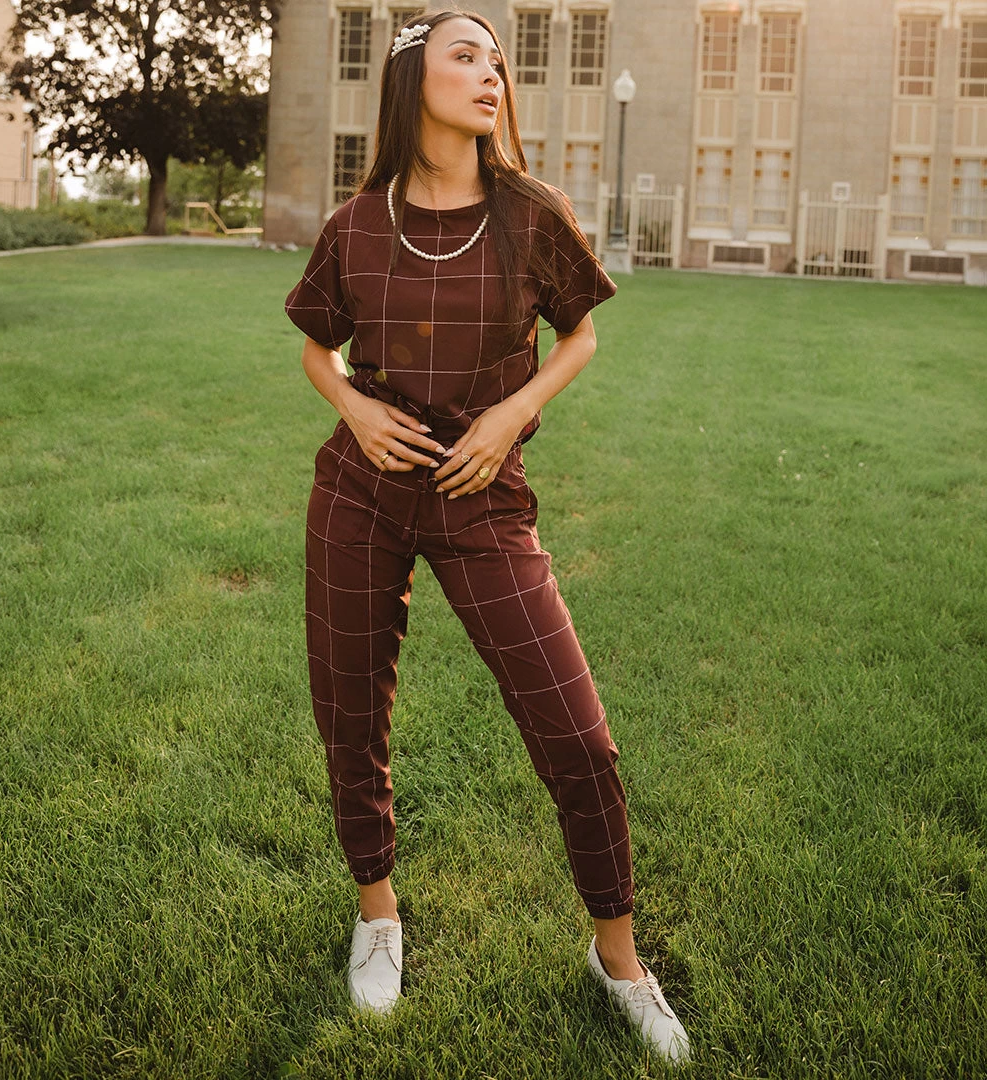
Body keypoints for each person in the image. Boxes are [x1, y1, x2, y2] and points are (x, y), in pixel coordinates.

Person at [284, 8, 690, 1065]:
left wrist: (512, 415)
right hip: (362, 496)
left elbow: (582, 332)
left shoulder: (529, 214)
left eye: (499, 61)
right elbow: (318, 349)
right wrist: (353, 408)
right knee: (349, 712)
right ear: (412, 77)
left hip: (483, 496)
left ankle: (619, 958)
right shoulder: (357, 225)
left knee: (578, 738)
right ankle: (378, 914)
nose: (491, 74)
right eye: (467, 55)